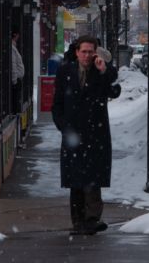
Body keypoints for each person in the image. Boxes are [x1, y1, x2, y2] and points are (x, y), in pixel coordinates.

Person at [52, 34, 120, 235]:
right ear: (77, 52)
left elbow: (113, 91)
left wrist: (103, 70)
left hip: (95, 133)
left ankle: (92, 219)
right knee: (76, 181)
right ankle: (78, 221)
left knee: (93, 178)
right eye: (84, 51)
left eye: (91, 52)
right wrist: (64, 127)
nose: (87, 55)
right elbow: (57, 104)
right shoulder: (65, 71)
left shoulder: (102, 72)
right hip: (73, 134)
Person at [11, 29, 25, 115]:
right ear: (15, 35)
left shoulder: (13, 47)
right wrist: (14, 80)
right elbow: (13, 64)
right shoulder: (12, 48)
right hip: (15, 80)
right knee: (15, 100)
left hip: (17, 79)